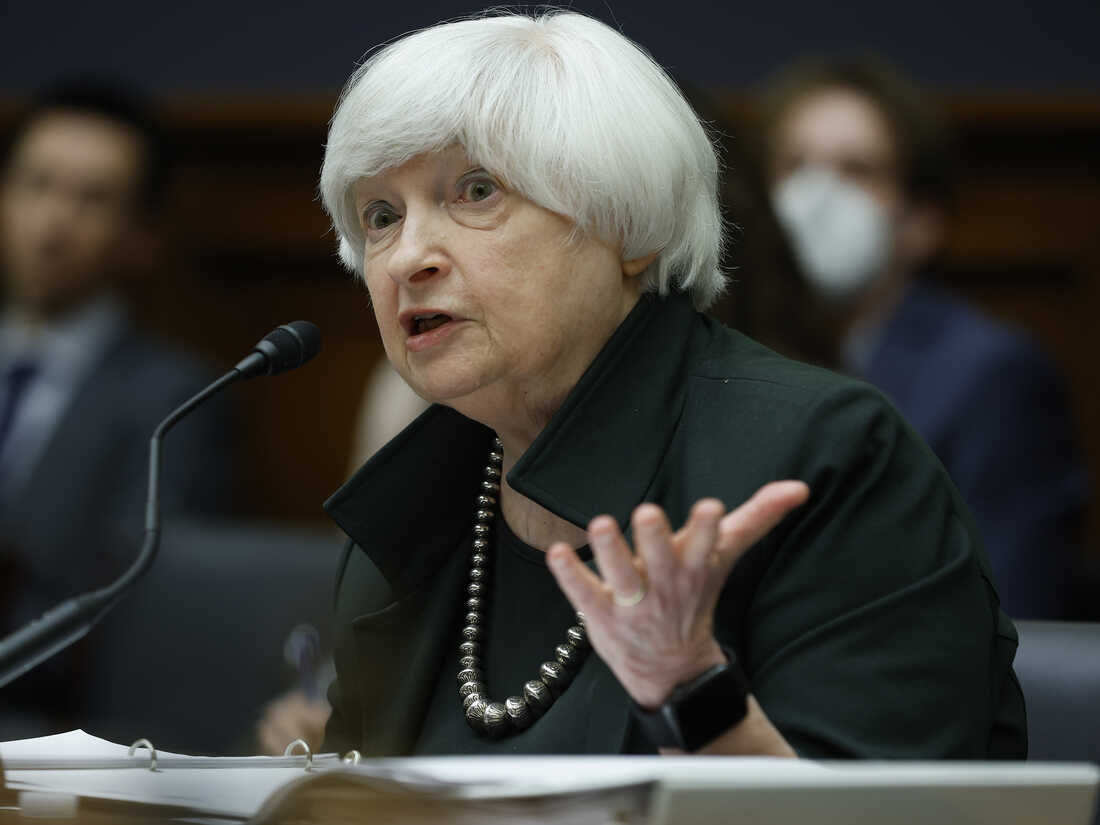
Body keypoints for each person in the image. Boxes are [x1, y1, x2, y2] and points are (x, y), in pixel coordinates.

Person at [316, 11, 1026, 758]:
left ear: (629, 227)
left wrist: (693, 692)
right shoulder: (407, 523)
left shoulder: (829, 460)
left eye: (476, 190)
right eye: (382, 216)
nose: (406, 258)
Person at [736, 57, 1091, 620]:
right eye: (794, 165)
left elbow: (1015, 618)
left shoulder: (994, 375)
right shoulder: (734, 357)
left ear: (921, 221)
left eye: (856, 170)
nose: (818, 195)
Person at [0, 81, 236, 737]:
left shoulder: (176, 394)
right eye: (35, 184)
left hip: (51, 725)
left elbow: (137, 600)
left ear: (142, 235)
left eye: (91, 198)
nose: (53, 222)